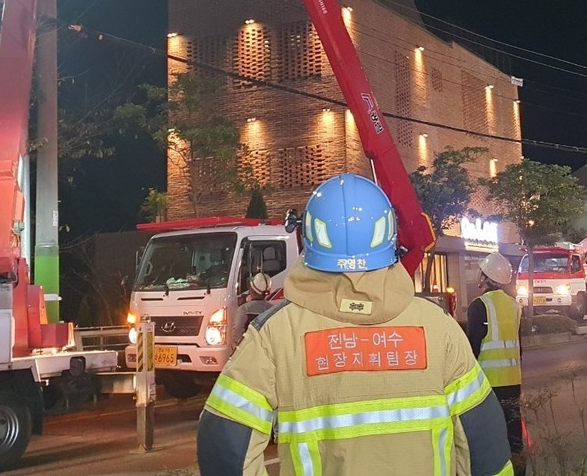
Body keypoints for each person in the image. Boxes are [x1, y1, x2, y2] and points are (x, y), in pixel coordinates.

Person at [197, 173, 513, 476]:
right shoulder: (438, 328)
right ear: (389, 236)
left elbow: (224, 442)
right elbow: (484, 442)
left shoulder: (274, 336)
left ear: (308, 237)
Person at [466, 252, 525, 476]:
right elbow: (518, 348)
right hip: (513, 383)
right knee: (514, 438)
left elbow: (472, 349)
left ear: (486, 277)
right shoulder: (514, 306)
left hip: (487, 386)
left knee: (488, 439)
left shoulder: (479, 306)